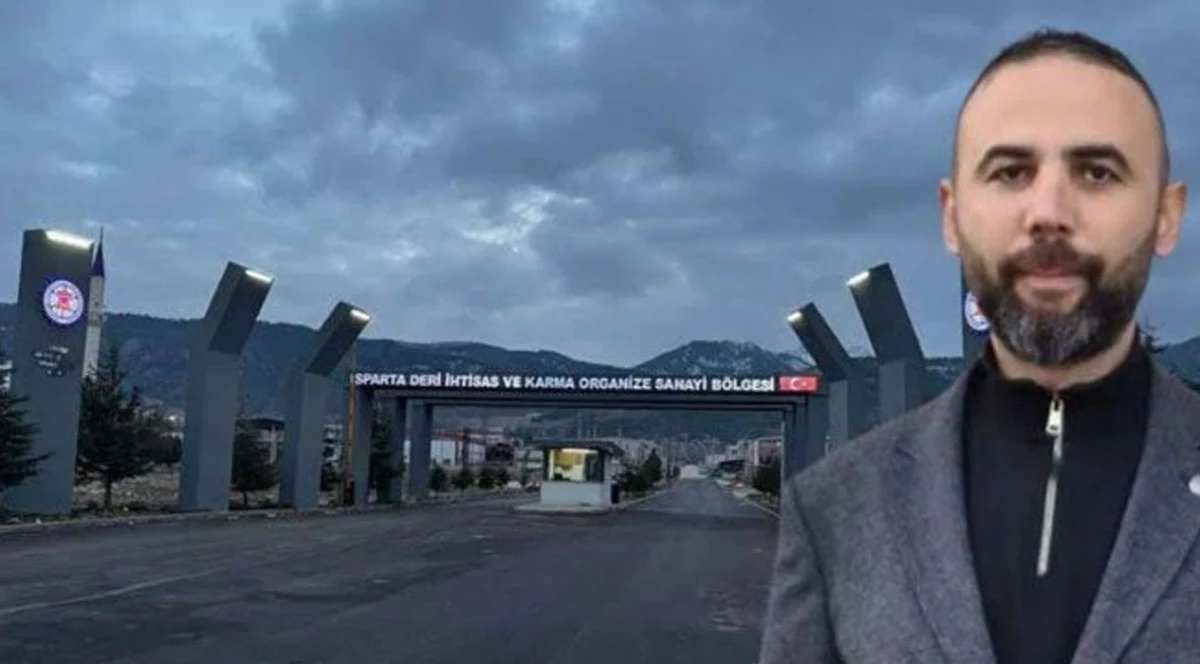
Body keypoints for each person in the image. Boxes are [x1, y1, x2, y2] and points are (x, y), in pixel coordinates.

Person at [758, 28, 1198, 664]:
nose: (1048, 213)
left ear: (1166, 215)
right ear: (952, 216)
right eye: (1010, 172)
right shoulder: (835, 509)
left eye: (1098, 172)